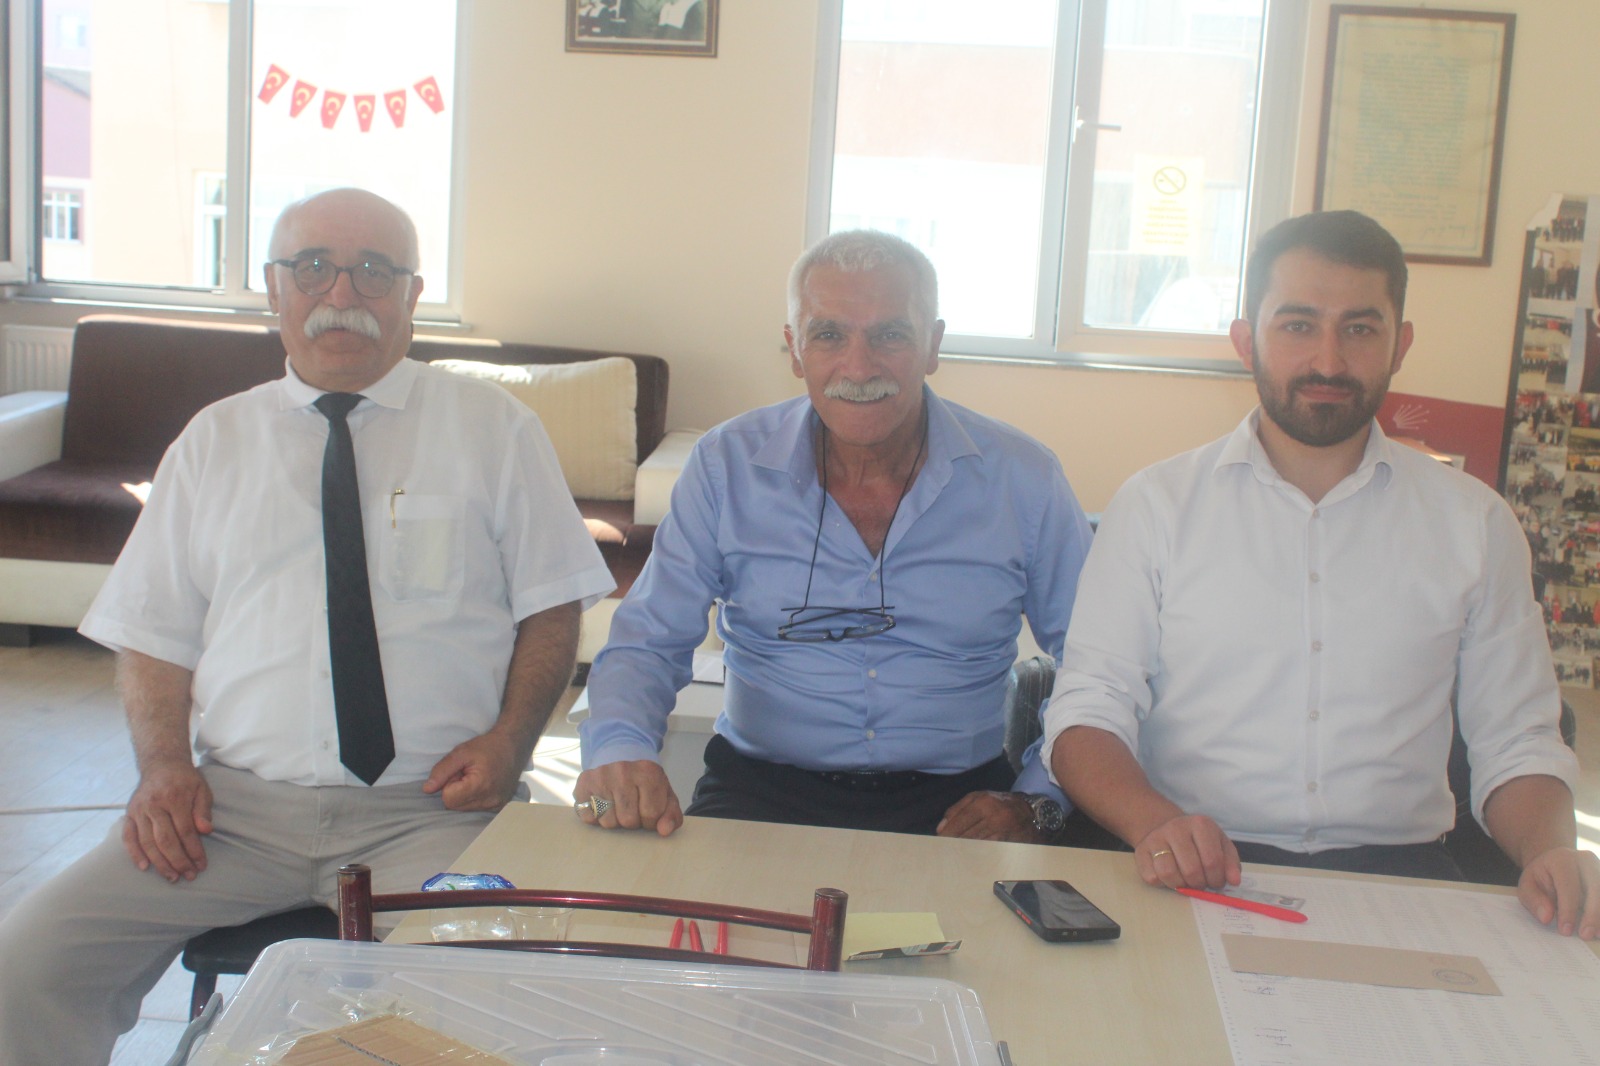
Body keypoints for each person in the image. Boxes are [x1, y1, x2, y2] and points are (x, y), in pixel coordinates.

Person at [0, 188, 616, 1065]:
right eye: (314, 267)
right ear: (274, 288)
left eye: (375, 271)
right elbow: (154, 632)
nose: (343, 294)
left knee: (500, 990)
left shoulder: (494, 430)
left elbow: (550, 607)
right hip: (229, 817)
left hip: (434, 812)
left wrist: (513, 741)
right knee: (28, 965)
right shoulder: (213, 441)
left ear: (413, 294)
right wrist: (165, 768)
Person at [1043, 209, 1598, 940]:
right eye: (1298, 325)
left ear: (1400, 344)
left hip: (1402, 879)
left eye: (1360, 329)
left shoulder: (1475, 523)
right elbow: (1087, 711)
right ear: (1247, 339)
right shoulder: (1155, 506)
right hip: (1184, 863)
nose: (1329, 361)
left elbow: (1517, 738)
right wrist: (1156, 823)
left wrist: (1551, 850)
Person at [574, 230, 1093, 842]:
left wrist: (1037, 799)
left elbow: (1096, 663)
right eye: (828, 335)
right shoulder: (726, 466)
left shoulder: (1023, 478)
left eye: (890, 334)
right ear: (795, 349)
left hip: (962, 805)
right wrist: (621, 748)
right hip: (759, 790)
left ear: (933, 345)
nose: (859, 367)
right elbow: (648, 640)